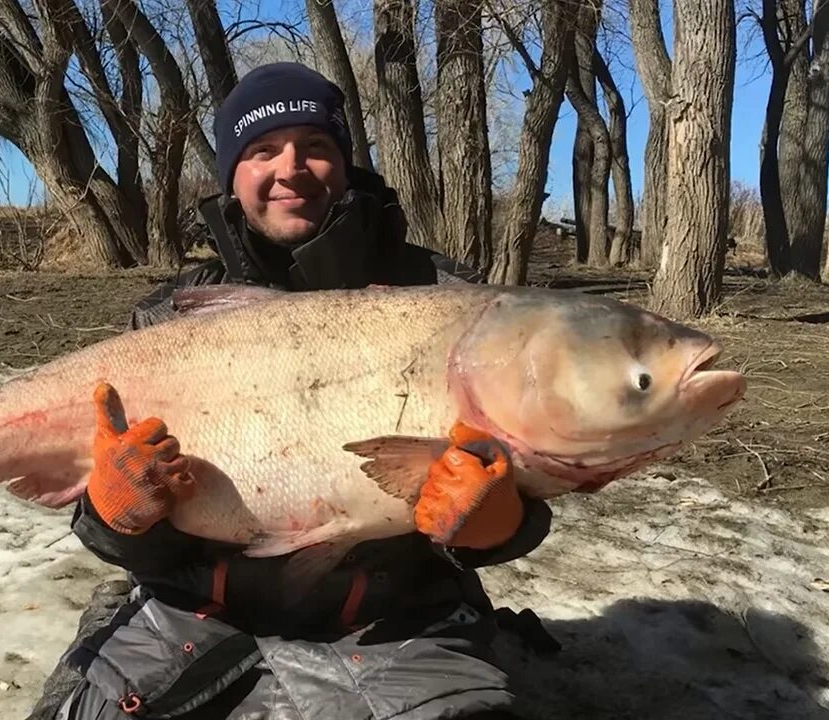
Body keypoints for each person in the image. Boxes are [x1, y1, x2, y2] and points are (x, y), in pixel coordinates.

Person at [27, 62, 553, 720]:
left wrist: (497, 522)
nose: (291, 168)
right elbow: (103, 522)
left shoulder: (449, 302)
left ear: (346, 162)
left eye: (316, 147)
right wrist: (119, 517)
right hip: (188, 616)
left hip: (397, 627)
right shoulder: (166, 320)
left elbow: (529, 468)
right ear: (232, 175)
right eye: (262, 150)